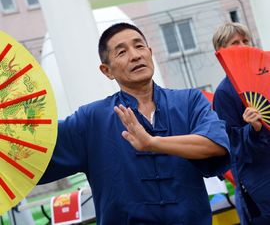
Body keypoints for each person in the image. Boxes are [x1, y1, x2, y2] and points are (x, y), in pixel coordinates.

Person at [40, 22, 230, 224]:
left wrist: (152, 143)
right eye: (121, 52)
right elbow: (35, 151)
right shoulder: (91, 119)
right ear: (107, 71)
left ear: (150, 53)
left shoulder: (189, 101)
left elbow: (215, 144)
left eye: (139, 46)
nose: (135, 55)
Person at [213, 22, 270, 225]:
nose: (243, 45)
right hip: (261, 187)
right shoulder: (224, 93)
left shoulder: (266, 77)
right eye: (235, 42)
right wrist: (253, 129)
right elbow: (234, 147)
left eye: (246, 40)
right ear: (221, 52)